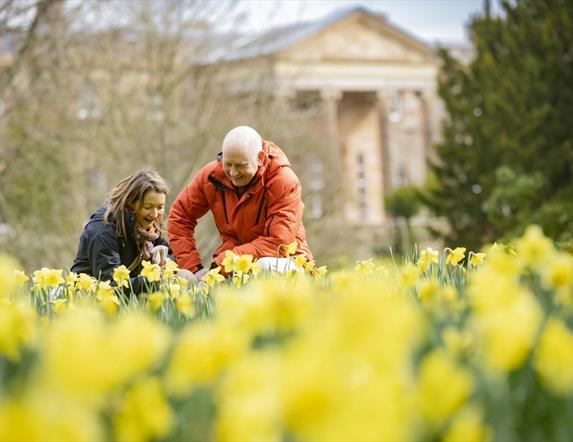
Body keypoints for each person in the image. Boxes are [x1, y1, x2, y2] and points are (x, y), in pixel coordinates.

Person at [168, 125, 313, 278]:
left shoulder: (284, 182)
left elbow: (278, 243)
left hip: (288, 262)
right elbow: (180, 216)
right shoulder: (211, 176)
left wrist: (224, 262)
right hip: (234, 267)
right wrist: (193, 269)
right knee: (188, 281)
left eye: (241, 166)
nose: (233, 173)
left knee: (264, 267)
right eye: (228, 164)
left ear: (260, 158)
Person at [71, 169, 181, 293]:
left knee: (185, 277)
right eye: (148, 207)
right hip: (89, 299)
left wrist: (165, 261)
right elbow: (111, 284)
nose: (155, 214)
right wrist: (153, 279)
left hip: (129, 299)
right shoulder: (103, 230)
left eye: (160, 207)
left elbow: (170, 257)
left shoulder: (147, 228)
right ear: (130, 203)